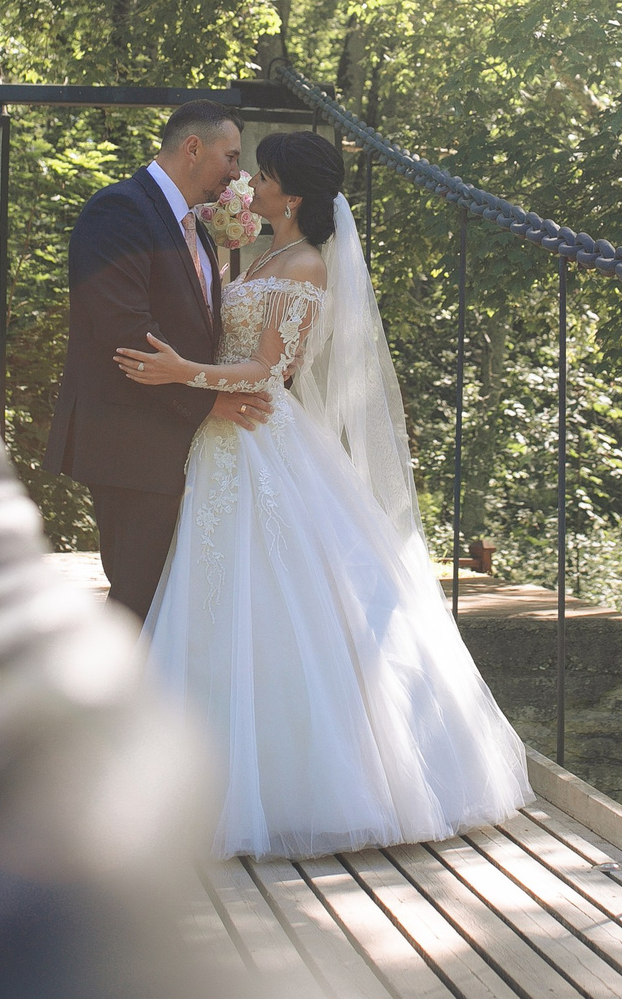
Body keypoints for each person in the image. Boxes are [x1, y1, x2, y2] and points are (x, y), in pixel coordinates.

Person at [113, 130, 528, 859]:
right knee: (216, 594)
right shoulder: (258, 254)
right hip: (221, 442)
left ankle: (299, 786)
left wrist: (182, 374)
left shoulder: (305, 263)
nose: (249, 183)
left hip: (259, 435)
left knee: (276, 595)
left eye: (262, 174)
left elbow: (269, 371)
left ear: (292, 195)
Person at [45, 101, 273, 619]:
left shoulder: (191, 223)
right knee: (139, 596)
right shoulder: (119, 210)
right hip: (131, 437)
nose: (236, 173)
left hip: (178, 438)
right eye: (231, 157)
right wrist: (208, 402)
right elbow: (124, 332)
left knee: (172, 599)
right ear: (193, 148)